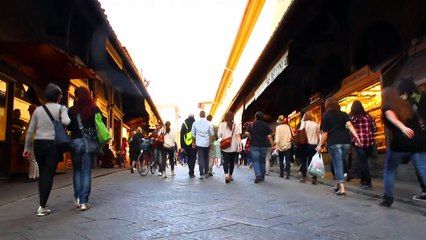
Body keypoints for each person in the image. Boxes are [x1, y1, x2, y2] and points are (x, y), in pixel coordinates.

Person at [23, 83, 71, 216]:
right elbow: (67, 122)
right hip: (53, 145)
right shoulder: (61, 108)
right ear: (58, 96)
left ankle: (42, 204)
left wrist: (27, 148)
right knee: (48, 174)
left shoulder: (38, 110)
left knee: (42, 172)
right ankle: (42, 205)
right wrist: (62, 116)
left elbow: (30, 130)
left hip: (38, 144)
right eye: (60, 95)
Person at [379, 87, 426, 207]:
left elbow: (391, 117)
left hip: (401, 143)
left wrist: (402, 127)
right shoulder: (408, 106)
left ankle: (388, 198)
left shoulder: (387, 107)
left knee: (389, 170)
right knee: (423, 171)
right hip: (417, 142)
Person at [316, 97, 360, 197]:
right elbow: (350, 125)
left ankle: (342, 189)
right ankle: (337, 185)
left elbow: (325, 133)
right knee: (341, 162)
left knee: (338, 165)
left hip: (334, 142)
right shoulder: (344, 114)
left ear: (327, 105)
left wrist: (320, 145)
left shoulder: (326, 116)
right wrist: (357, 137)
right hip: (346, 142)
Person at [67, 87, 101, 211]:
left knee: (77, 170)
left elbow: (69, 127)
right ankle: (84, 202)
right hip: (89, 142)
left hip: (75, 141)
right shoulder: (94, 109)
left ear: (76, 96)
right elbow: (99, 124)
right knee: (86, 171)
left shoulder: (71, 110)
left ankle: (76, 198)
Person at [397, 79, 426, 201]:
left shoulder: (407, 103)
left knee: (422, 168)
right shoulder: (423, 95)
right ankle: (425, 192)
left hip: (418, 140)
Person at [349, 100, 376, 190]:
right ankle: (363, 180)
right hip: (369, 142)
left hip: (359, 142)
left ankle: (367, 182)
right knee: (364, 162)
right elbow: (374, 128)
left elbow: (349, 130)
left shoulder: (352, 118)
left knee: (363, 162)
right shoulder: (368, 116)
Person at [245, 112, 274, 183]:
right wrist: (272, 145)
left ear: (256, 117)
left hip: (254, 145)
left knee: (255, 161)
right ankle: (262, 176)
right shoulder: (266, 125)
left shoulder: (252, 124)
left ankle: (257, 175)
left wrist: (251, 137)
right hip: (264, 146)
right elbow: (270, 136)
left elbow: (247, 133)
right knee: (262, 161)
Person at [218, 111, 241, 183]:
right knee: (231, 162)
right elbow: (238, 136)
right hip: (233, 146)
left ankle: (226, 174)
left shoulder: (222, 125)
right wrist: (240, 145)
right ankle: (230, 175)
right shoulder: (235, 126)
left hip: (225, 146)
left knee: (225, 161)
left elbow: (219, 135)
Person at [298, 111, 320, 184]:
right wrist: (319, 144)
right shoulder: (316, 124)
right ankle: (314, 179)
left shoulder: (303, 123)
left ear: (305, 117)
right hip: (314, 145)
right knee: (313, 162)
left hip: (305, 144)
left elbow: (300, 133)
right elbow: (318, 136)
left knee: (303, 161)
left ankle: (304, 177)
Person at [191, 110, 214, 179]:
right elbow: (212, 134)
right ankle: (206, 173)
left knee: (200, 158)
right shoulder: (209, 123)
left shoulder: (195, 123)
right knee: (206, 157)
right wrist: (211, 142)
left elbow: (193, 134)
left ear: (199, 115)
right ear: (205, 115)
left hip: (199, 143)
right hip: (206, 143)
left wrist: (193, 142)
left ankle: (201, 174)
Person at [274, 115, 293, 179]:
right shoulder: (287, 127)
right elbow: (290, 136)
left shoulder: (278, 128)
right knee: (287, 160)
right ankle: (288, 174)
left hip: (280, 146)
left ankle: (281, 173)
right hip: (287, 145)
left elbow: (277, 138)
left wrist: (276, 146)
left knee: (281, 160)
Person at [25, 104, 39, 182]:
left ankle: (32, 176)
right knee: (34, 159)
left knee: (32, 159)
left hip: (33, 140)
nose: (29, 112)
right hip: (37, 140)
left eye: (30, 111)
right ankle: (36, 175)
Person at [180, 113, 196, 178]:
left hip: (186, 143)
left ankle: (190, 171)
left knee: (189, 158)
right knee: (193, 157)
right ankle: (192, 172)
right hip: (194, 142)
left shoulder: (184, 123)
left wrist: (182, 146)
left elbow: (181, 135)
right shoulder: (195, 123)